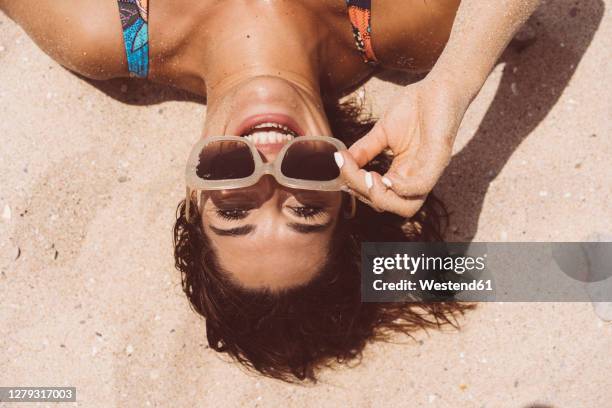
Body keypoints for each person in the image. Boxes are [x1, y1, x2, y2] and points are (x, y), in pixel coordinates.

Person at [1, 0, 540, 381]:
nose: (268, 168)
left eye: (234, 206)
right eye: (306, 205)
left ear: (193, 194)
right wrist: (453, 83)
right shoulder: (398, 20)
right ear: (347, 191)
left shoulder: (104, 25)